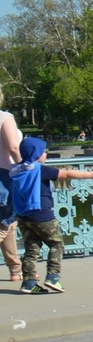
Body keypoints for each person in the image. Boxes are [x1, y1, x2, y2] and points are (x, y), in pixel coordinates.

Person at [10, 137, 93, 294]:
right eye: (44, 152)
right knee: (57, 244)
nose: (46, 154)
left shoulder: (16, 170)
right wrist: (92, 175)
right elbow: (66, 174)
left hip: (23, 216)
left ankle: (29, 282)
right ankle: (53, 277)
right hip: (42, 214)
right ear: (36, 154)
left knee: (31, 248)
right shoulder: (39, 170)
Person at [0, 89, 23, 282]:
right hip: (4, 176)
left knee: (9, 223)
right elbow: (14, 147)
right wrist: (24, 168)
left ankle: (16, 270)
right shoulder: (5, 118)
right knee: (5, 221)